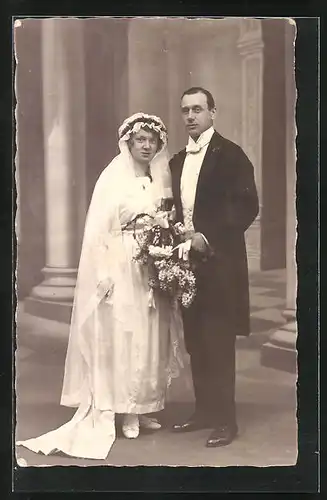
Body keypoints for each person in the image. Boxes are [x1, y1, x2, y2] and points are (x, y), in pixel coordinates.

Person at [17, 113, 183, 460]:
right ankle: (122, 408)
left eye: (151, 140)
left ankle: (141, 404)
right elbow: (98, 231)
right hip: (122, 262)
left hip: (152, 260)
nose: (146, 145)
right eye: (140, 140)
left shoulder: (159, 178)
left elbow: (167, 217)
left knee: (150, 331)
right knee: (124, 331)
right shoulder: (114, 178)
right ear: (128, 142)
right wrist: (105, 273)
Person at [170, 87, 259, 447]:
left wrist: (210, 237)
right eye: (185, 110)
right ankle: (204, 410)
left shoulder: (231, 155)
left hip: (219, 263)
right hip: (187, 266)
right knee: (196, 341)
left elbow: (246, 206)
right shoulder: (177, 160)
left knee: (219, 341)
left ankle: (226, 420)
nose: (191, 116)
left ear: (213, 113)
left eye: (198, 109)